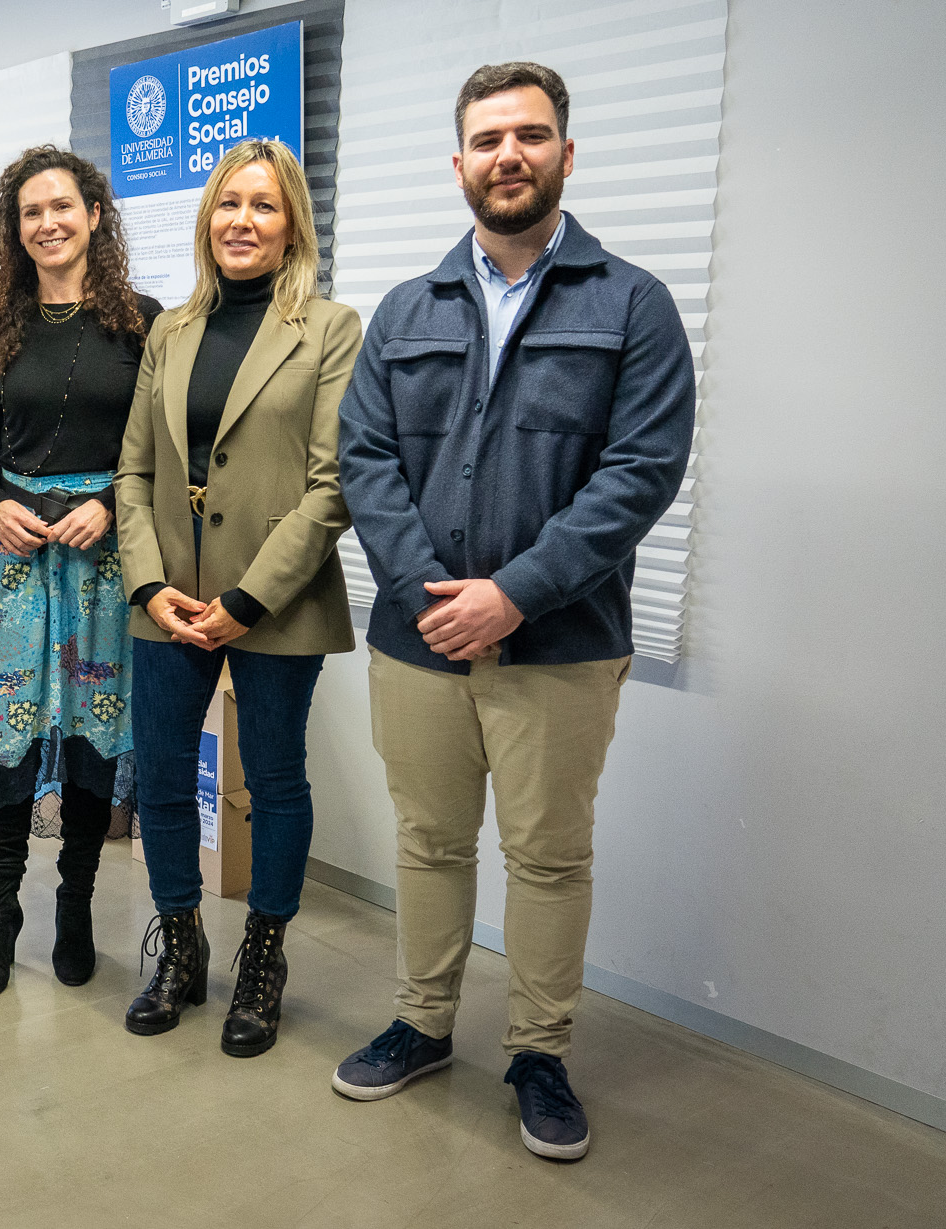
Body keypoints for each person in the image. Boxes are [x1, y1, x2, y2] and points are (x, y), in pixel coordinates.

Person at [332, 62, 695, 1161]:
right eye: (487, 140)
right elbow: (365, 461)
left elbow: (639, 472)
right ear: (458, 163)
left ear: (564, 154)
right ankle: (422, 1022)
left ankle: (539, 1052)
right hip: (418, 644)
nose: (508, 156)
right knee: (430, 841)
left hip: (561, 646)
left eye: (529, 136)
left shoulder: (630, 305)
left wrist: (513, 595)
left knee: (546, 856)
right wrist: (428, 595)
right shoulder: (407, 310)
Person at [114, 138, 362, 1057]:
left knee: (275, 778)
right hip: (168, 598)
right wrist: (150, 583)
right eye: (228, 203)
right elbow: (133, 471)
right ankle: (181, 947)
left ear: (291, 222)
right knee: (162, 775)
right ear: (206, 218)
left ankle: (263, 956)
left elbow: (333, 485)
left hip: (277, 598)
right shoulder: (169, 330)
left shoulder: (330, 329)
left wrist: (249, 601)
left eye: (262, 205)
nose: (242, 221)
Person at [0, 146, 161, 1002]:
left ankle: (74, 909)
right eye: (31, 212)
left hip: (101, 561)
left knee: (88, 741)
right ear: (16, 229)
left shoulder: (142, 322)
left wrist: (110, 504)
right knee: (7, 738)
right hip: (16, 560)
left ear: (94, 215)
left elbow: (153, 448)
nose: (48, 223)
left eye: (62, 207)